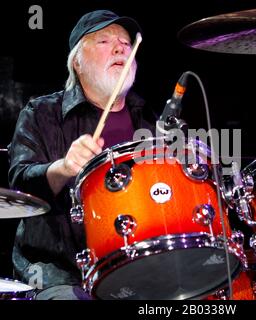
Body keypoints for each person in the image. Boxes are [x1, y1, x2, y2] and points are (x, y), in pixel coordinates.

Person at [8, 10, 155, 300]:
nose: (119, 47)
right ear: (77, 61)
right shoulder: (41, 113)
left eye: (126, 43)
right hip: (61, 272)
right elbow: (19, 187)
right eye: (104, 41)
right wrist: (63, 168)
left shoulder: (149, 121)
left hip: (139, 267)